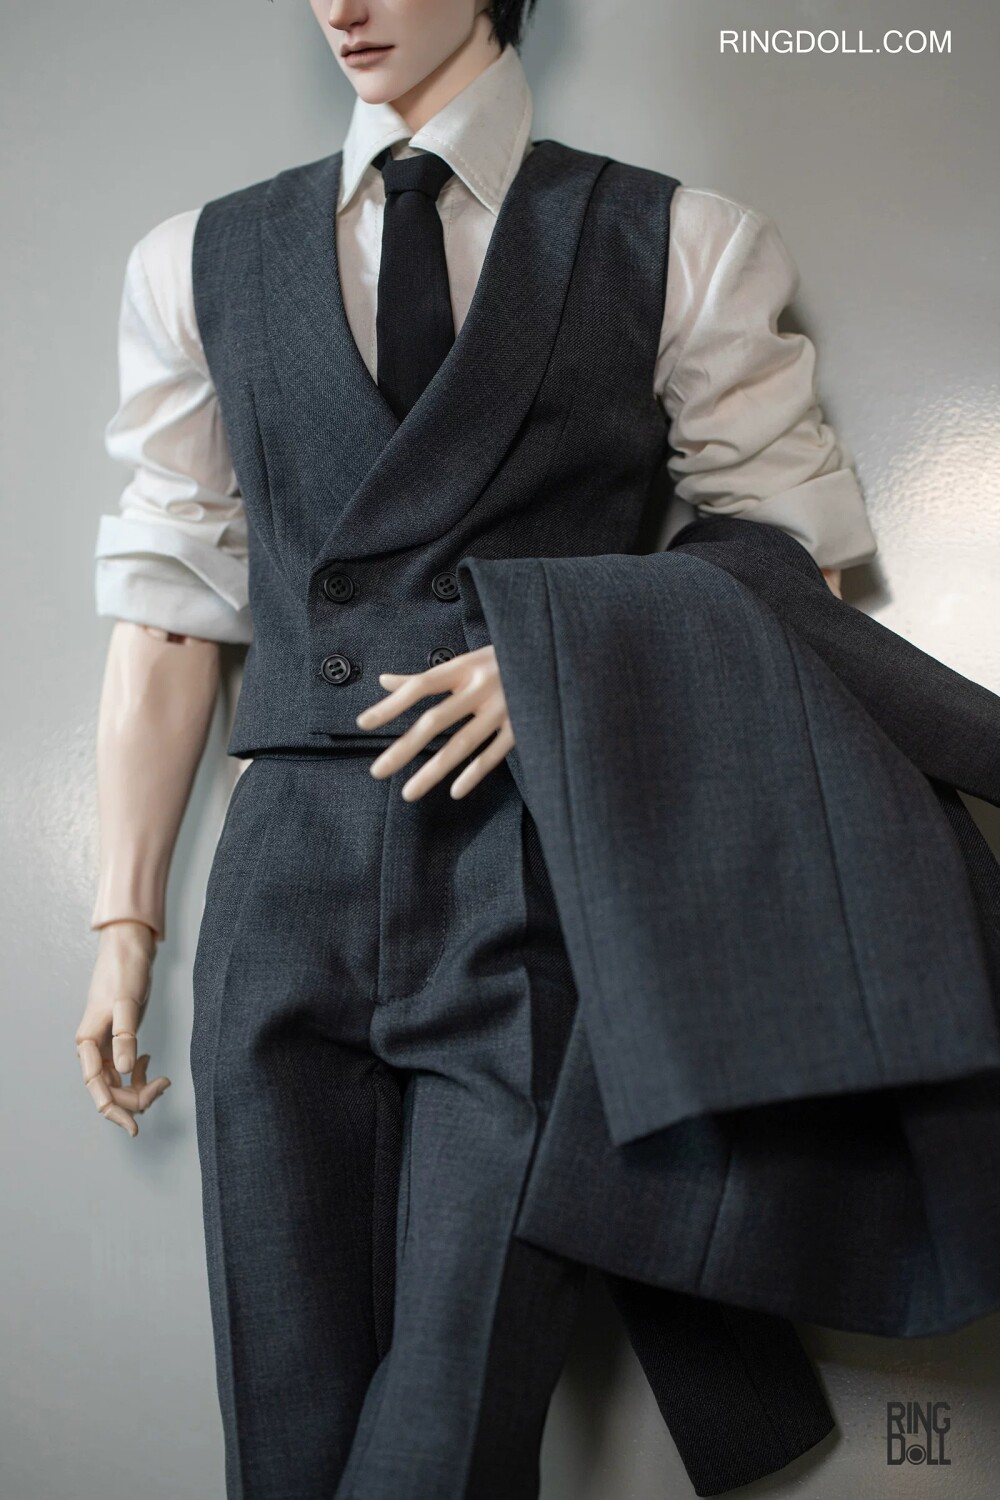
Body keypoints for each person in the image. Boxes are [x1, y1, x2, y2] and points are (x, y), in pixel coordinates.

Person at [76, 2, 878, 1495]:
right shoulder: (195, 261)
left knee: (446, 1437)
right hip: (282, 885)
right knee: (287, 1429)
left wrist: (564, 664)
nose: (342, 5)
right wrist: (125, 926)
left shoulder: (678, 241)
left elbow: (791, 566)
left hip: (532, 875)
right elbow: (172, 611)